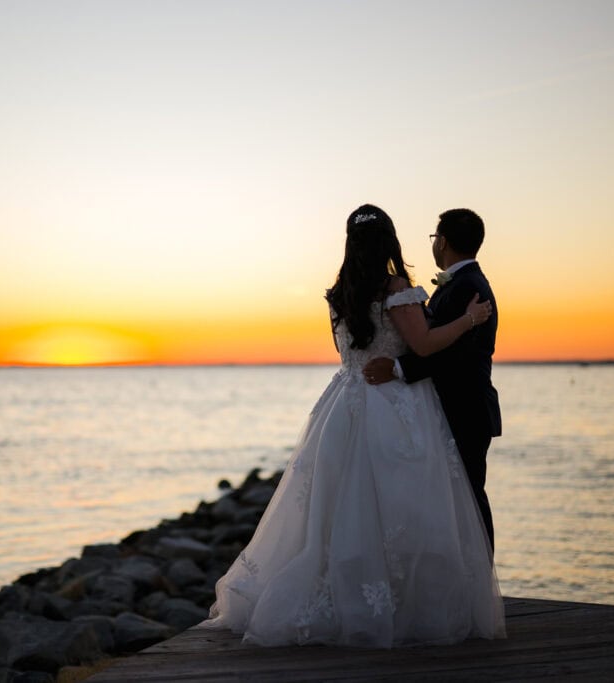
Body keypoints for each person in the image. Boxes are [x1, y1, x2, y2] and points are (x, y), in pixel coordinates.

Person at [202, 205, 505, 648]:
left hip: (345, 403)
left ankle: (348, 595)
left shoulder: (339, 293)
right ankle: (405, 602)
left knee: (341, 509)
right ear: (390, 242)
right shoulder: (397, 289)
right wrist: (468, 320)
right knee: (406, 506)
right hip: (396, 406)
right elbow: (424, 343)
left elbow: (350, 353)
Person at [363, 208, 500, 553]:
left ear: (443, 241)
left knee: (470, 499)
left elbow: (456, 354)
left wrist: (397, 368)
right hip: (456, 407)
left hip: (465, 408)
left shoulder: (468, 287)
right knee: (458, 500)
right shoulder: (461, 283)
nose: (434, 244)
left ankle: (481, 578)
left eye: (434, 237)